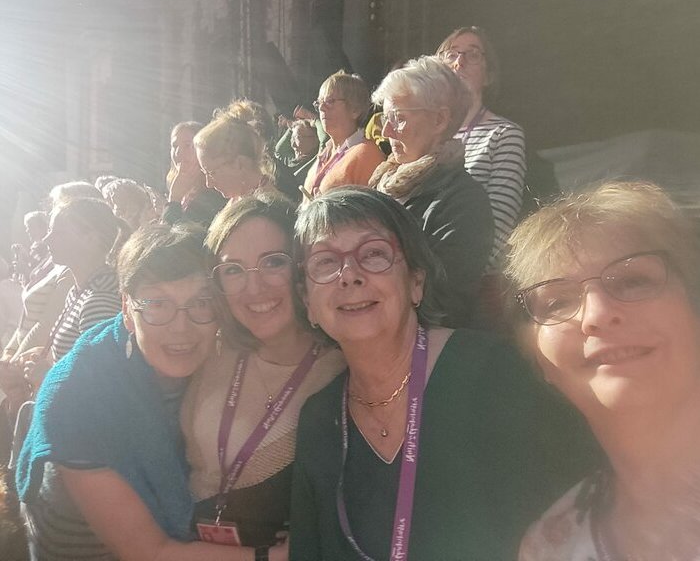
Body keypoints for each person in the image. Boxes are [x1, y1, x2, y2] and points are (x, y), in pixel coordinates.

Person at [290, 187, 598, 560]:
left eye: (373, 254)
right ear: (307, 303)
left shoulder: (500, 373)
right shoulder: (319, 420)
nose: (349, 275)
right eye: (325, 261)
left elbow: (584, 519)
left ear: (416, 281)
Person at [16, 221, 288, 560]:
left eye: (201, 302)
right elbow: (149, 552)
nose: (181, 327)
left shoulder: (223, 362)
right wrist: (281, 555)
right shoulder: (77, 398)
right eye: (158, 304)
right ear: (127, 310)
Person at [505, 181, 700, 561]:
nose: (596, 314)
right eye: (557, 302)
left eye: (633, 281)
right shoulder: (549, 548)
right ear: (540, 361)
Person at [181, 193, 344, 553]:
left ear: (301, 267)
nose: (254, 288)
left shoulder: (342, 372)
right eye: (233, 270)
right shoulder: (211, 351)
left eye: (273, 262)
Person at [369, 55, 494, 327]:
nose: (387, 131)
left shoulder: (464, 202)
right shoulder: (382, 182)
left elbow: (443, 302)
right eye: (385, 118)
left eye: (399, 118)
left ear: (439, 120)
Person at [436, 26, 526, 274]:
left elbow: (499, 225)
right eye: (451, 54)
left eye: (473, 54)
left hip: (465, 279)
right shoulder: (427, 135)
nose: (460, 61)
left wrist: (455, 279)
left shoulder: (504, 134)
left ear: (488, 76)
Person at [20, 198, 128, 393]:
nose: (47, 239)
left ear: (90, 239)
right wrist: (47, 357)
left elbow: (103, 385)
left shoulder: (99, 302)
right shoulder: (79, 291)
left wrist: (48, 376)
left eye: (58, 232)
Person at [302, 70, 385, 200]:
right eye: (319, 103)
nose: (321, 108)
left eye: (330, 101)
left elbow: (369, 209)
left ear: (355, 109)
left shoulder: (367, 154)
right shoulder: (325, 153)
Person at [194, 106, 291, 202]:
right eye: (204, 173)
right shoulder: (239, 198)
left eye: (211, 173)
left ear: (239, 163)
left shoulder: (265, 207)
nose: (208, 184)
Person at [164, 121, 227, 228]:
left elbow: (172, 235)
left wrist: (174, 199)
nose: (178, 152)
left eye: (187, 145)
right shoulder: (186, 193)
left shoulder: (215, 192)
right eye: (174, 146)